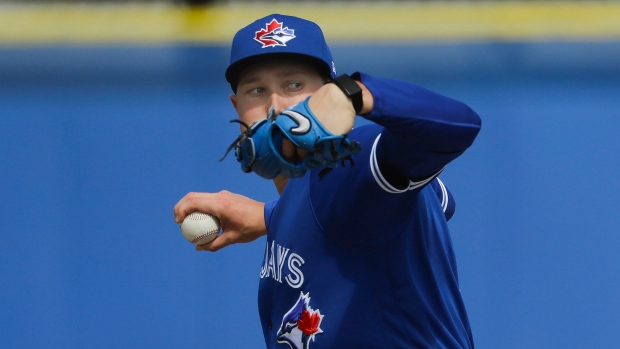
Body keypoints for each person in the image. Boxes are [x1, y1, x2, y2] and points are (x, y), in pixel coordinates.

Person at [174, 13, 481, 349]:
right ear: (237, 109)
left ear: (324, 94)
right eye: (256, 90)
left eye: (294, 86)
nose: (275, 106)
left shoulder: (352, 167)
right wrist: (268, 216)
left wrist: (354, 94)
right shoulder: (324, 201)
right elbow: (439, 201)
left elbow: (458, 126)